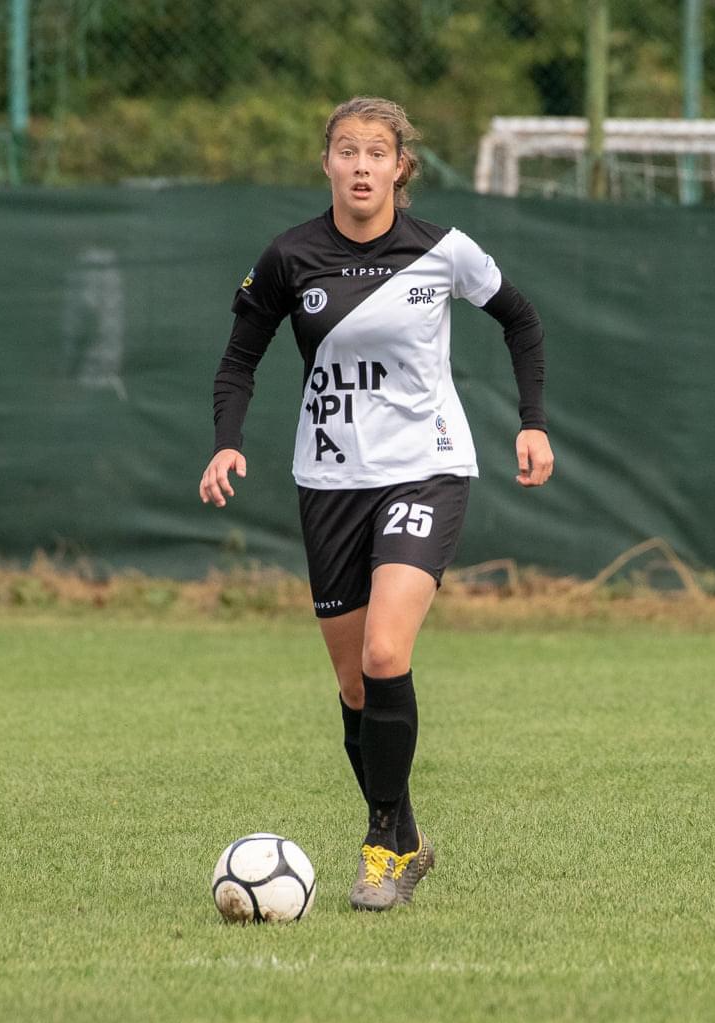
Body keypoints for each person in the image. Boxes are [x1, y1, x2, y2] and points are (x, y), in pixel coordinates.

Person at [199, 96, 553, 912]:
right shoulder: (289, 256)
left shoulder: (442, 250)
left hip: (425, 470)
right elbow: (238, 360)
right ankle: (408, 839)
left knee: (385, 655)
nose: (362, 166)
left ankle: (380, 848)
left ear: (401, 167)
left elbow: (521, 319)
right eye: (348, 150)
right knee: (356, 689)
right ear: (326, 161)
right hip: (329, 483)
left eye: (377, 153)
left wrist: (533, 423)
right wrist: (226, 441)